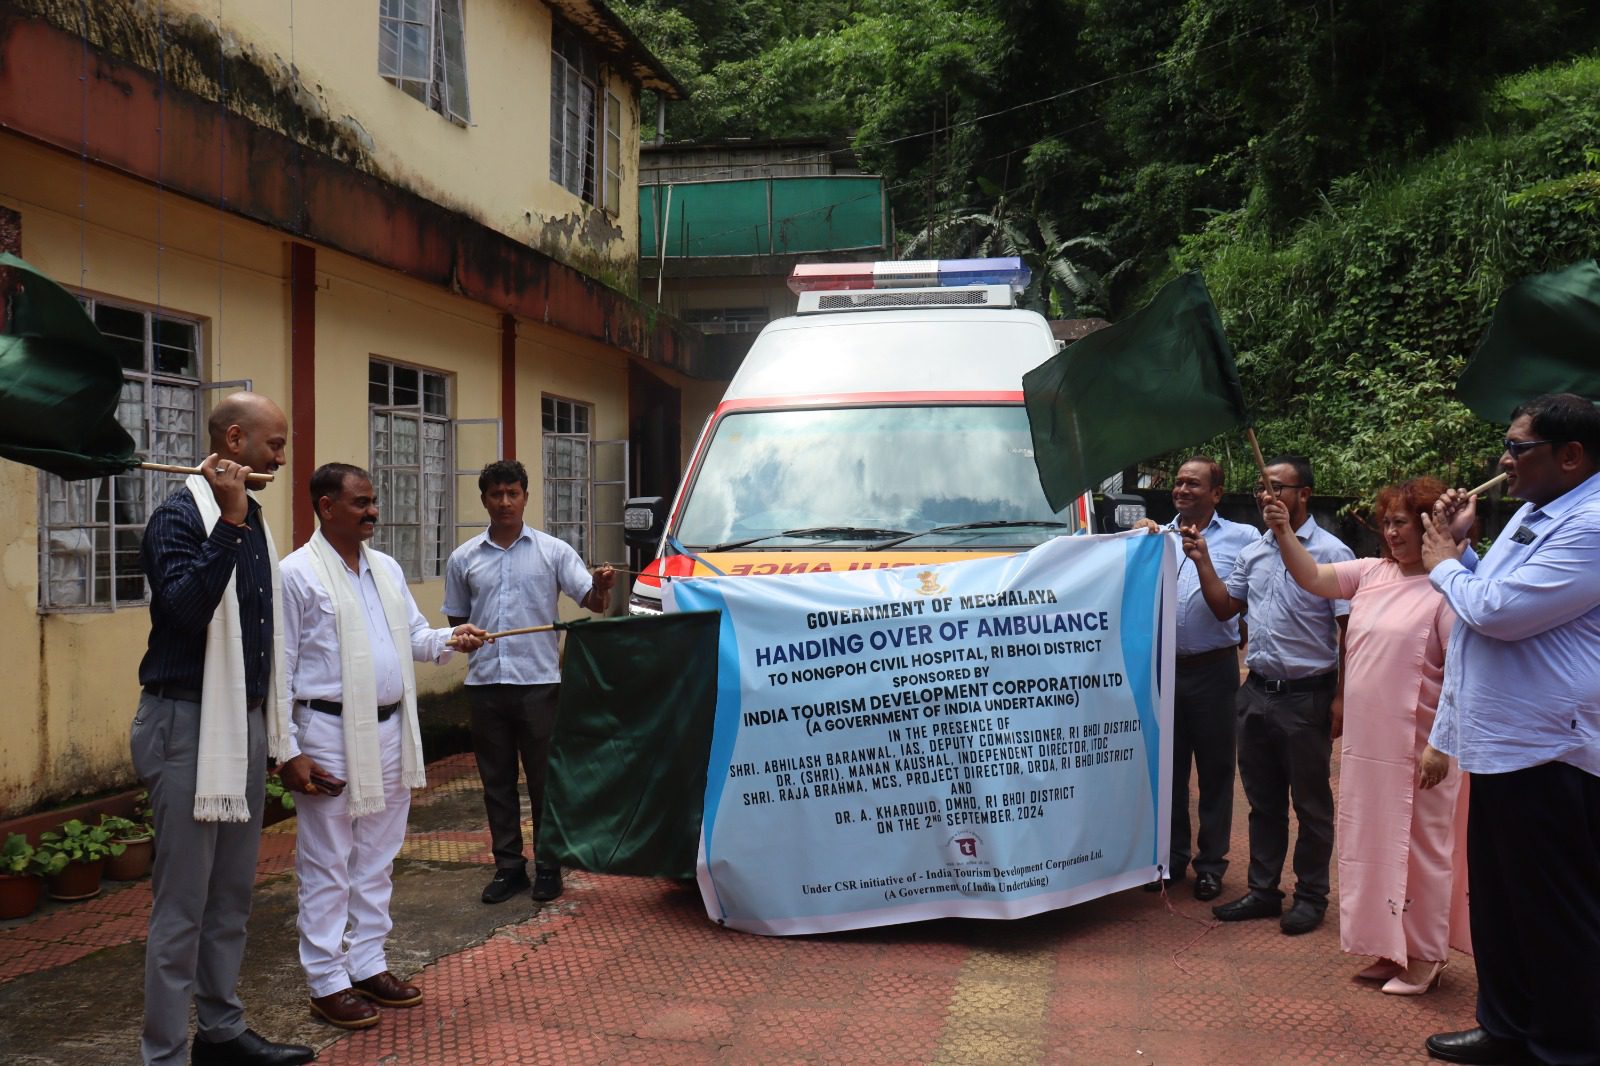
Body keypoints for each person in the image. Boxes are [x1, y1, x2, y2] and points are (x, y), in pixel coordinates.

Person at [132, 393, 314, 1066]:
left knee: (231, 897)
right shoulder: (180, 516)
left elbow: (266, 636)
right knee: (181, 907)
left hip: (238, 727)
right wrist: (230, 523)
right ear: (234, 441)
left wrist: (273, 730)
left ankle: (221, 1030)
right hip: (184, 723)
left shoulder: (253, 519)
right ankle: (164, 1055)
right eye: (273, 444)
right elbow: (184, 610)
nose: (282, 456)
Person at [1419, 393, 1600, 1066]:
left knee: (1555, 911)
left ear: (1571, 456)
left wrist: (1439, 559)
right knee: (1500, 901)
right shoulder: (1534, 512)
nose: (1504, 459)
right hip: (1503, 743)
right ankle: (1507, 1026)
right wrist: (1462, 549)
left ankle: (1565, 1047)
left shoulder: (1592, 524)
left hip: (1551, 747)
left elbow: (1497, 612)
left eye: (1519, 448)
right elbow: (1483, 591)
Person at [278, 464, 488, 1030]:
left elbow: (415, 637)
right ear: (326, 507)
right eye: (361, 503)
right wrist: (288, 749)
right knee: (327, 861)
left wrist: (451, 637)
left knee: (378, 856)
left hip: (393, 731)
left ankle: (367, 962)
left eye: (374, 502)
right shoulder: (297, 574)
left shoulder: (386, 569)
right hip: (326, 732)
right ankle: (326, 982)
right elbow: (281, 666)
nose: (373, 512)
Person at [1270, 477, 1471, 995]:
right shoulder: (1371, 573)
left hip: (1423, 748)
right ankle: (1390, 947)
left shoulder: (1447, 586)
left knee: (1423, 849)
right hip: (1369, 748)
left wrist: (1440, 745)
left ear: (1430, 525)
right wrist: (1283, 530)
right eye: (1386, 522)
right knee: (1374, 845)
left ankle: (1426, 954)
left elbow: (1462, 674)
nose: (1390, 532)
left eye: (1401, 522)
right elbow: (1312, 576)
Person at [1183, 454, 1353, 936]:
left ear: (1305, 495)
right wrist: (1203, 562)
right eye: (1263, 487)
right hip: (1256, 692)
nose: (1268, 496)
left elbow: (1349, 634)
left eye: (1279, 487)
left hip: (1306, 697)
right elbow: (1224, 609)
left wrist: (1341, 699)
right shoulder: (1253, 553)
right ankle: (1263, 890)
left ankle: (1311, 896)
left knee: (1311, 804)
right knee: (1263, 802)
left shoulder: (1333, 554)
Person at [443, 459, 615, 904]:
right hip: (485, 686)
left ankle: (549, 866)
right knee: (496, 781)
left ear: (525, 496)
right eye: (495, 494)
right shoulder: (463, 558)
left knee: (543, 780)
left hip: (539, 684)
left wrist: (601, 585)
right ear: (484, 499)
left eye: (512, 493)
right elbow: (457, 622)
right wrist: (466, 641)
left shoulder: (553, 551)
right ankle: (508, 868)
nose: (504, 502)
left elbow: (593, 603)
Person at [1133, 456, 1256, 902]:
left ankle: (1210, 865)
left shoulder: (1244, 539)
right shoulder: (1154, 538)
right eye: (1179, 484)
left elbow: (1242, 600)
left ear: (1217, 493)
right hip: (1165, 669)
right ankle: (1169, 860)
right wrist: (1136, 541)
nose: (1182, 490)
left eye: (1194, 484)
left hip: (1214, 670)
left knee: (1217, 769)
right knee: (1168, 769)